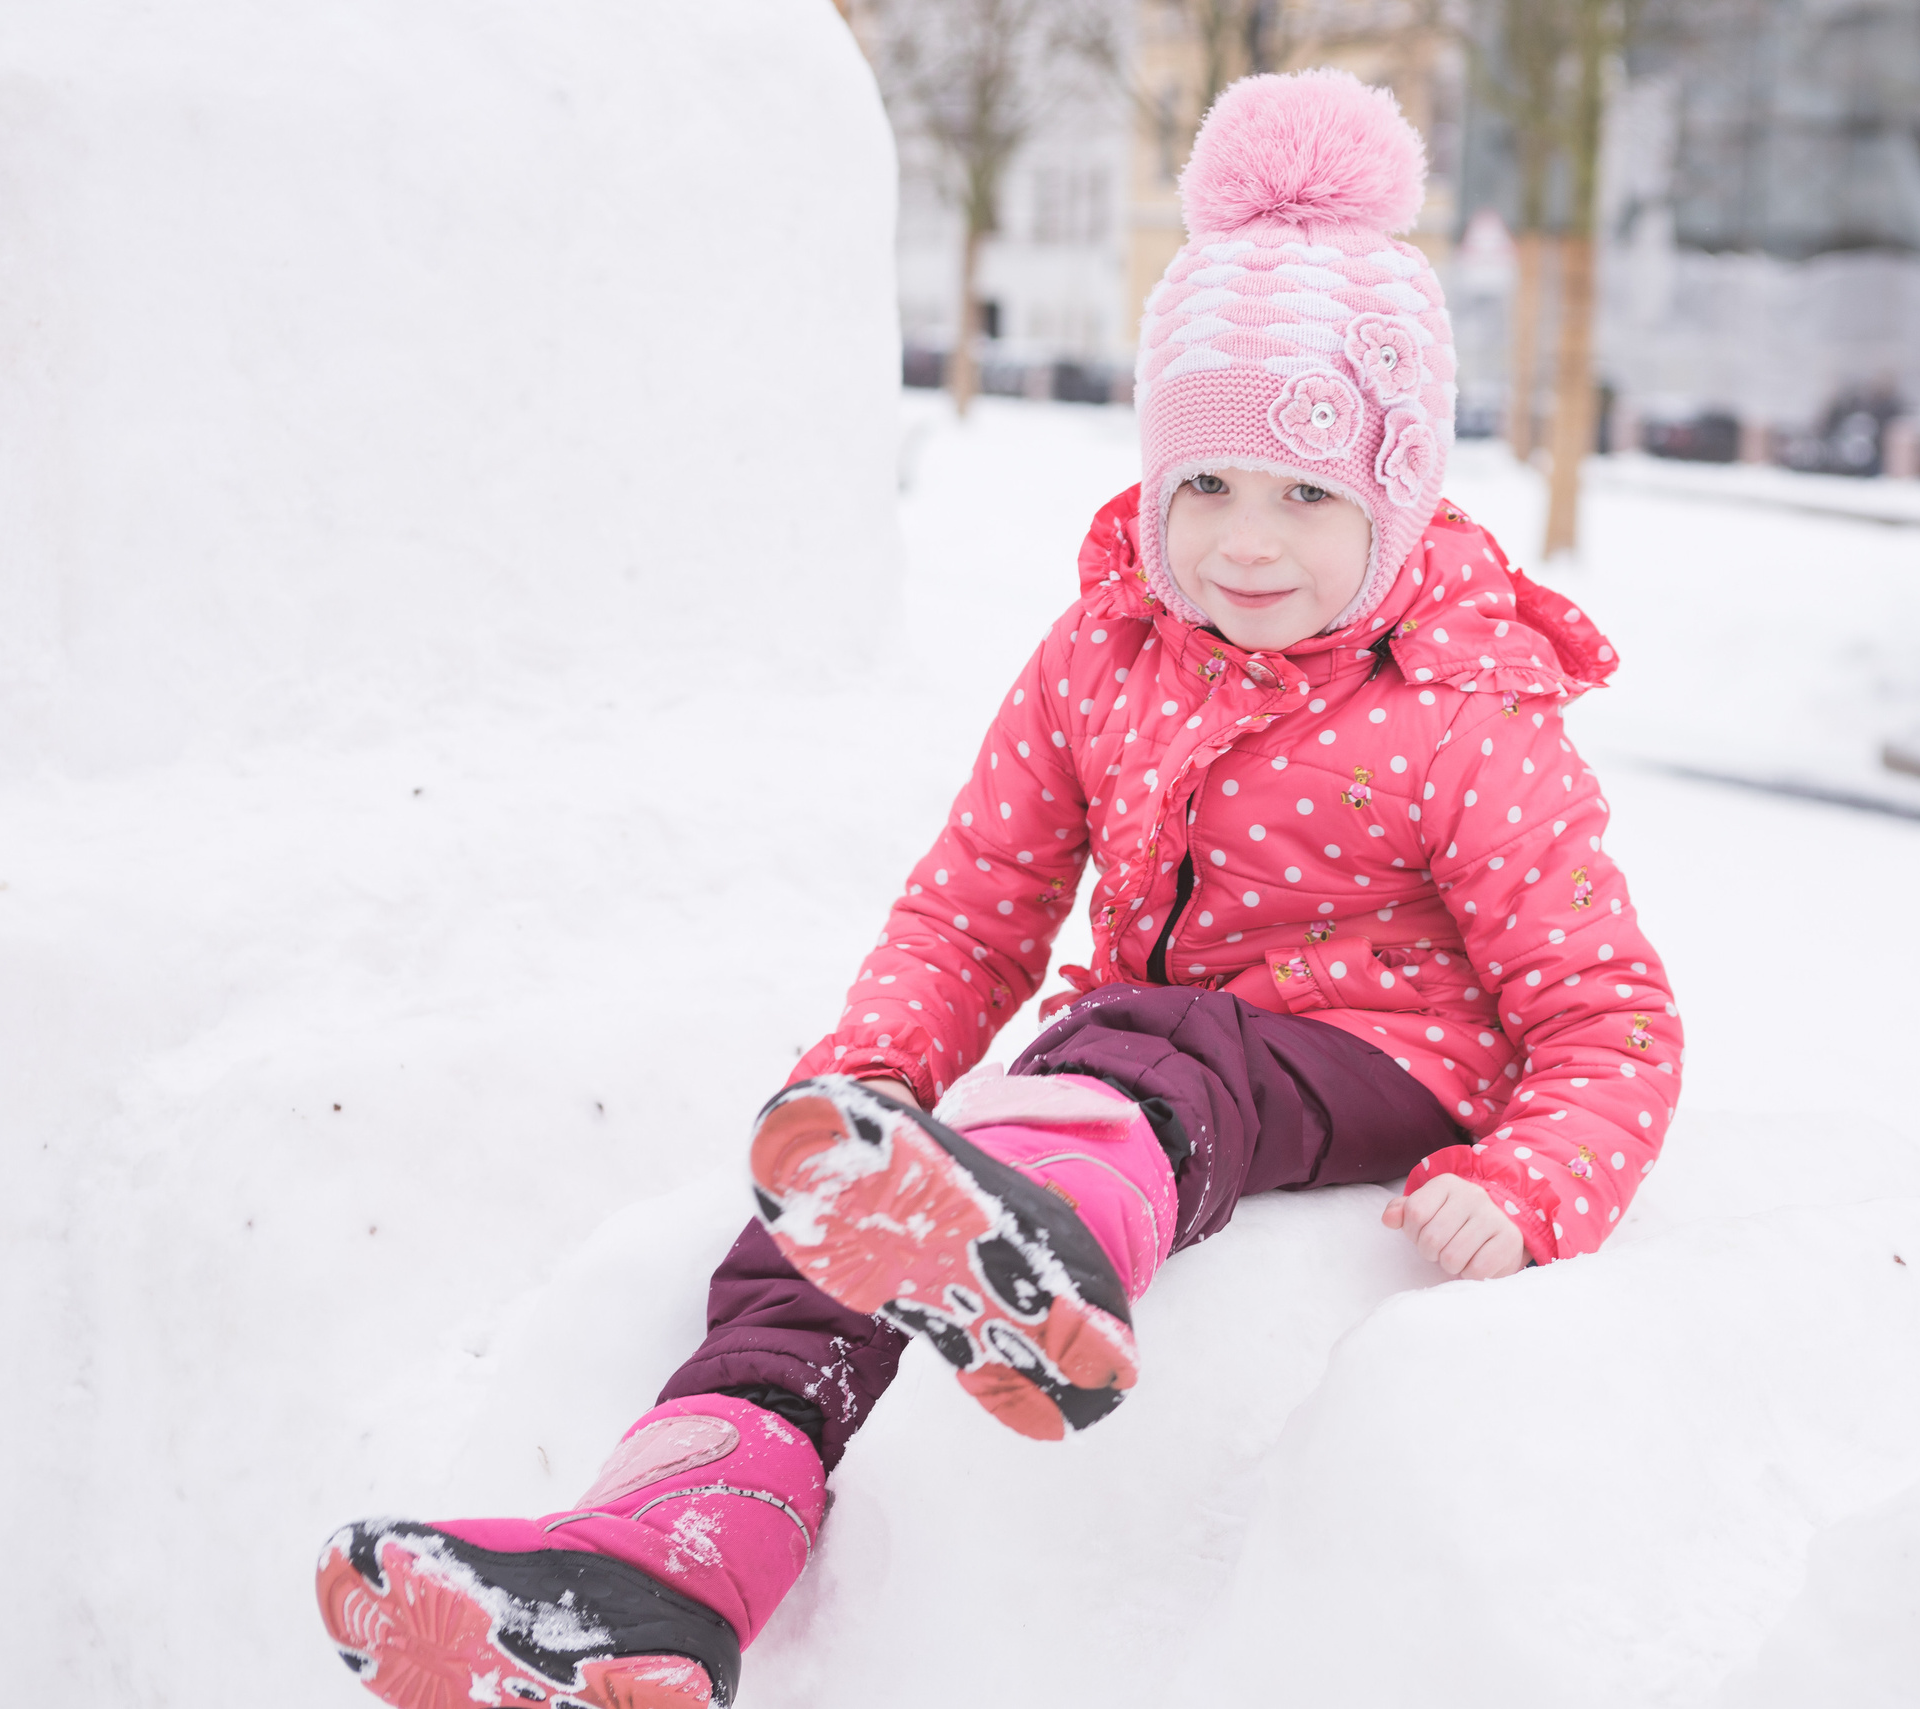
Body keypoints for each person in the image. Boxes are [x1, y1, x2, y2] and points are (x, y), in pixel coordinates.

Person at [313, 69, 1682, 1709]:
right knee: (806, 1243)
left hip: (1371, 1061)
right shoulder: (1102, 654)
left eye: (1309, 495)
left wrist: (1535, 1178)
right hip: (1129, 1080)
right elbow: (976, 902)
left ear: (1394, 494)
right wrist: (872, 1076)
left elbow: (1609, 1013)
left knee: (1157, 1045)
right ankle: (673, 1544)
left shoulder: (1467, 708)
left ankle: (1046, 1259)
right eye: (1207, 486)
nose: (1248, 542)